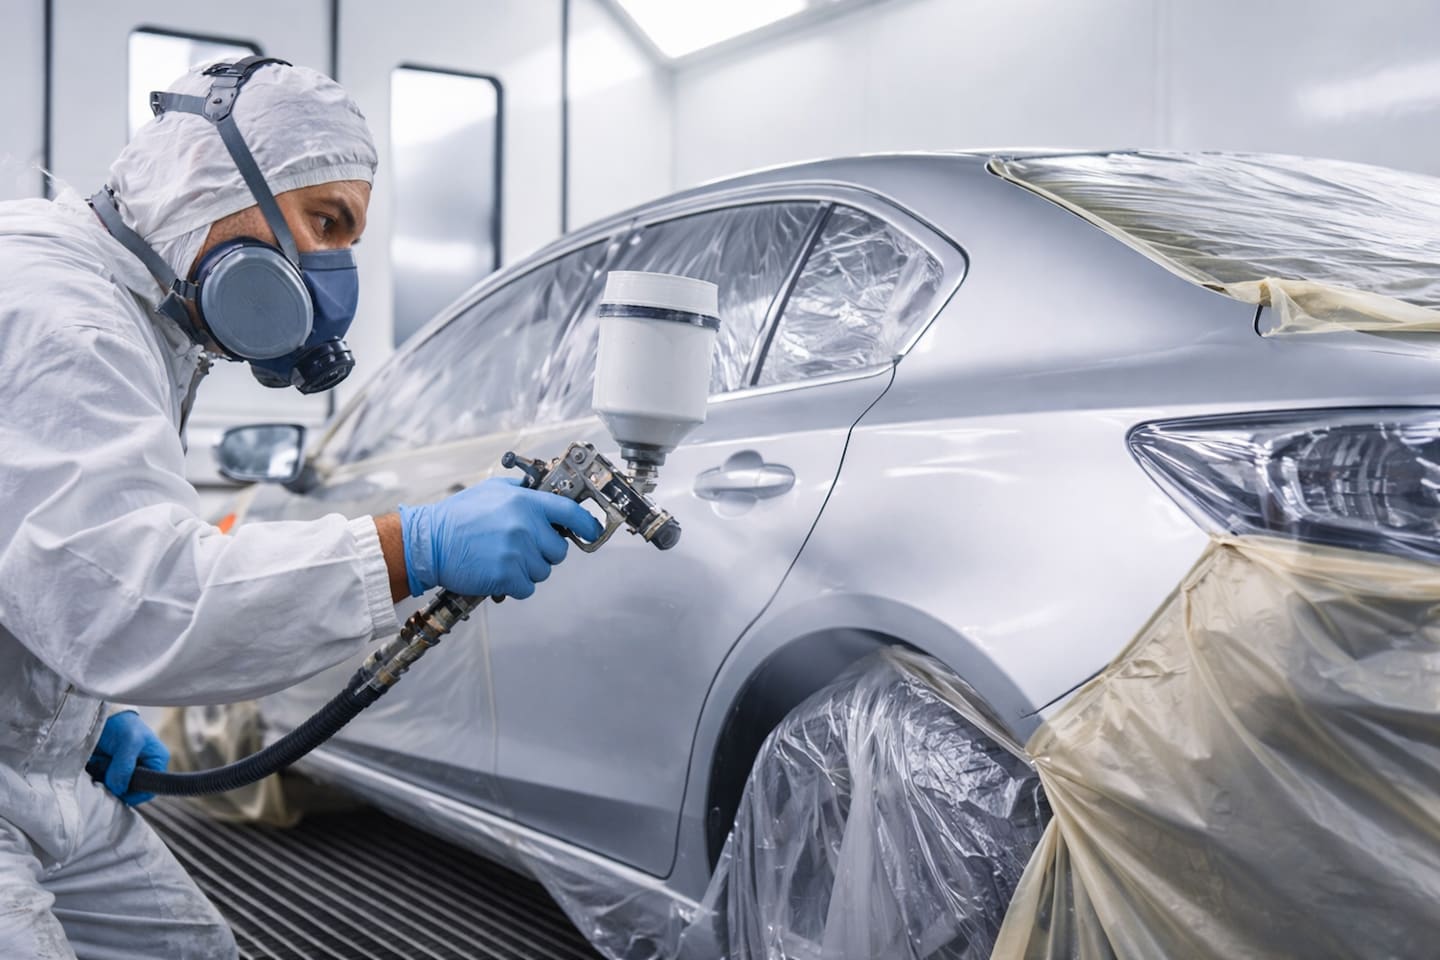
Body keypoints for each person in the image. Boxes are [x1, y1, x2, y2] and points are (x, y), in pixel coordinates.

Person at [0, 57, 600, 959]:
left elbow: (61, 557)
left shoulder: (134, 316)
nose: (332, 268)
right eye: (324, 222)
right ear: (211, 180)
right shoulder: (58, 315)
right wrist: (414, 544)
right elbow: (130, 599)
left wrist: (60, 712)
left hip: (33, 771)